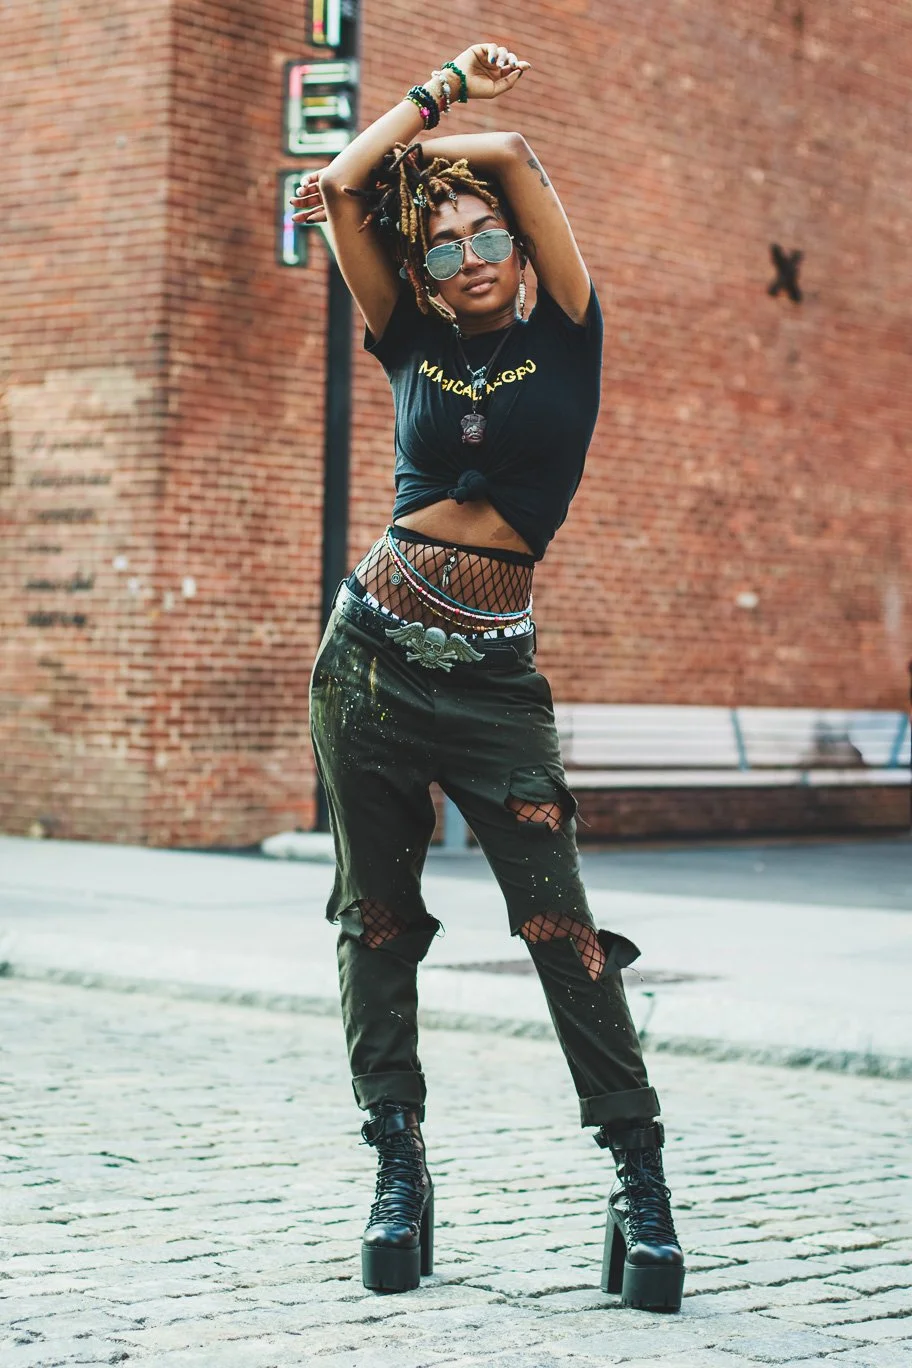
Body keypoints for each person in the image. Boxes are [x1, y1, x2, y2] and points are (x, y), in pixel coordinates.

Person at [290, 40, 684, 1311]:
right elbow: (342, 193)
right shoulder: (405, 336)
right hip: (369, 666)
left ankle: (641, 1183)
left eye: (483, 239)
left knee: (559, 926)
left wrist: (438, 117)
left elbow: (508, 158)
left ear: (519, 248)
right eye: (442, 244)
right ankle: (397, 1166)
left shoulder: (571, 332)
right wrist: (386, 183)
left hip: (497, 683)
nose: (466, 257)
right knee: (377, 917)